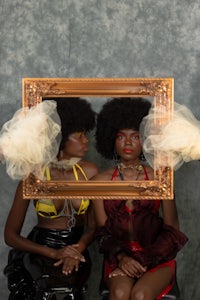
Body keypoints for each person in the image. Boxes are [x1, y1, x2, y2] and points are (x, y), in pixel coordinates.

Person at [92, 97, 188, 300]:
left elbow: (173, 230)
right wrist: (123, 258)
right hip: (118, 257)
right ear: (111, 138)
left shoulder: (159, 177)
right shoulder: (99, 180)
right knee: (119, 292)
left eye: (135, 136)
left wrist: (145, 260)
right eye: (121, 136)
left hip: (158, 257)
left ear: (146, 139)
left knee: (141, 295)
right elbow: (102, 232)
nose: (128, 142)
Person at [3, 98, 99, 299]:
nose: (86, 140)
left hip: (77, 246)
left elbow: (93, 226)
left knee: (69, 291)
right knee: (45, 291)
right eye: (80, 136)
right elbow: (10, 236)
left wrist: (78, 248)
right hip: (41, 248)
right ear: (61, 138)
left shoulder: (90, 172)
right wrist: (54, 253)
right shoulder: (34, 175)